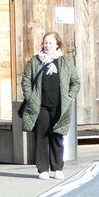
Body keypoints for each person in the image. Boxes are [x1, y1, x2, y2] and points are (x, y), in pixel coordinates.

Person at [20, 31, 81, 179]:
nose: (46, 45)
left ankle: (57, 168)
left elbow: (75, 82)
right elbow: (26, 80)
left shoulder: (65, 63)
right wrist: (30, 97)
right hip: (40, 106)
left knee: (57, 136)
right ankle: (42, 170)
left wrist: (70, 96)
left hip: (59, 107)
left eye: (50, 43)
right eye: (45, 43)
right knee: (41, 137)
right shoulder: (35, 61)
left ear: (57, 45)